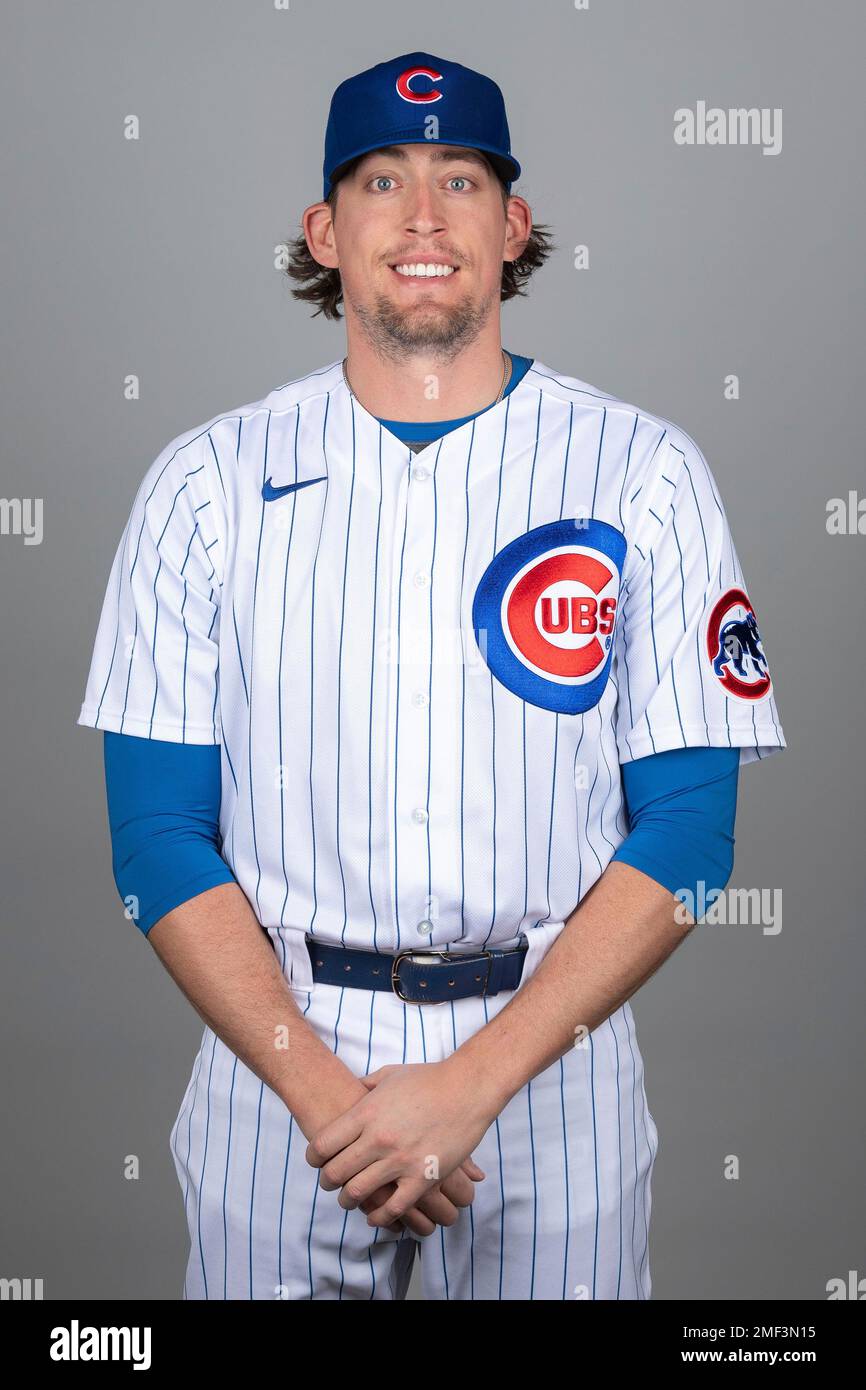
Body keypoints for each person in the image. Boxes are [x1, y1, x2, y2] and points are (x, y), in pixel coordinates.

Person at [78, 51, 786, 1300]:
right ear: (323, 229)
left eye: (459, 179)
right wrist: (325, 1095)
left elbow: (689, 833)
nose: (420, 217)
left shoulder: (642, 472)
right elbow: (155, 839)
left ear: (510, 227)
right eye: (379, 180)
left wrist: (469, 1086)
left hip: (549, 1060)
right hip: (281, 1064)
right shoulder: (205, 484)